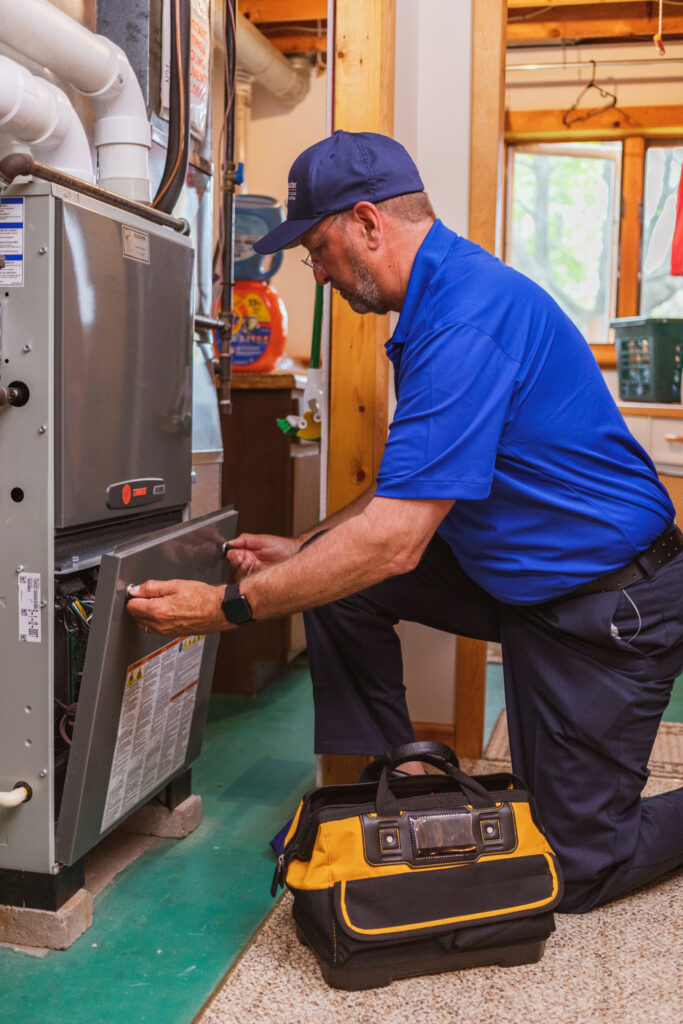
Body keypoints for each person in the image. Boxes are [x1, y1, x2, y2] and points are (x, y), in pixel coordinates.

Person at [127, 130, 683, 913]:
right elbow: (403, 489)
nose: (315, 274)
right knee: (329, 583)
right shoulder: (434, 304)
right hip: (527, 580)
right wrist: (306, 549)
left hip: (606, 603)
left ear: (365, 222)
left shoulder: (463, 322)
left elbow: (393, 541)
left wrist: (223, 610)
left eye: (316, 249)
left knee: (575, 867)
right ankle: (407, 779)